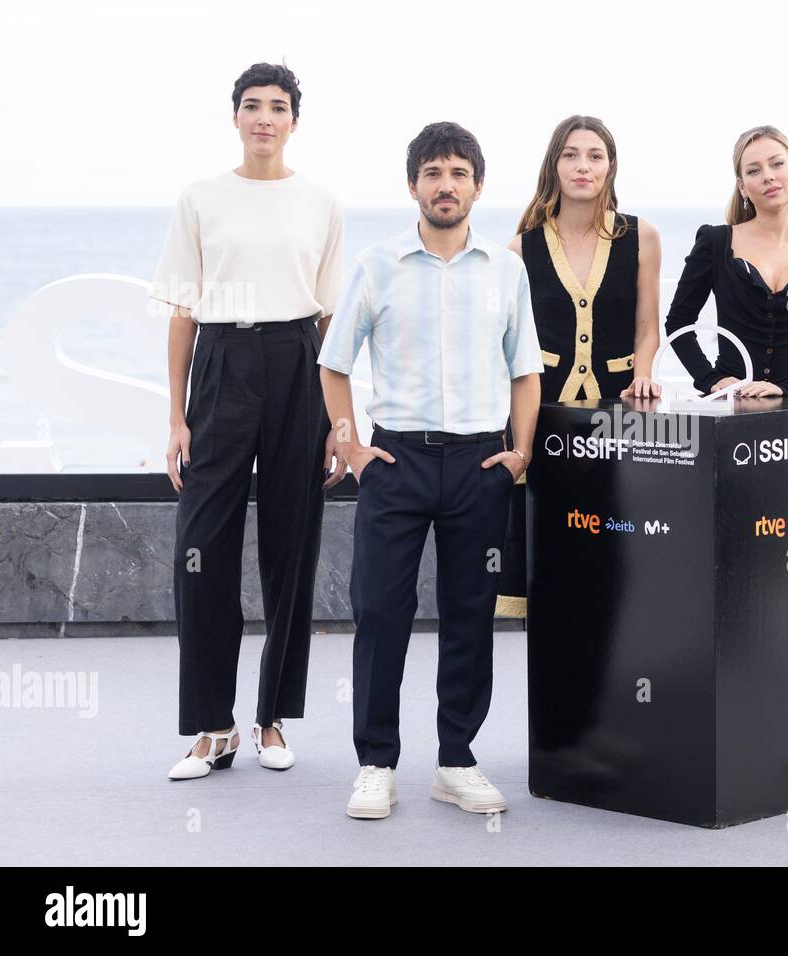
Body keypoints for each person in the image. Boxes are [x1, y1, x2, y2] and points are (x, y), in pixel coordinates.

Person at [317, 121, 543, 820]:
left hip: (480, 461)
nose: (446, 186)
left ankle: (457, 761)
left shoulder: (505, 269)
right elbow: (334, 362)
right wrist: (351, 448)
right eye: (433, 173)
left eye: (459, 173)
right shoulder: (377, 264)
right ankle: (375, 763)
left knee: (471, 615)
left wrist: (521, 451)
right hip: (396, 460)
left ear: (478, 185)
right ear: (412, 184)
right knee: (381, 611)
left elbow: (525, 370)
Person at [156, 62, 345, 781]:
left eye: (278, 106)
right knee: (199, 551)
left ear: (296, 119)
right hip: (223, 358)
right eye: (252, 105)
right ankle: (213, 725)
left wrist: (337, 418)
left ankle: (270, 720)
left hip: (298, 361)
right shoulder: (200, 198)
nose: (264, 117)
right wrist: (175, 418)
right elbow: (180, 313)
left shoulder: (321, 201)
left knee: (291, 547)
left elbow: (330, 317)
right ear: (234, 116)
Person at [494, 114, 662, 618]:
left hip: (618, 413)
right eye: (570, 155)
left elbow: (647, 325)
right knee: (547, 546)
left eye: (595, 156)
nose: (582, 166)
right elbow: (509, 343)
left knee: (612, 544)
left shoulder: (641, 236)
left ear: (611, 167)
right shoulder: (521, 246)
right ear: (555, 164)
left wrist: (644, 371)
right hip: (543, 417)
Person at [664, 125, 788, 399]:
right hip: (731, 405)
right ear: (742, 185)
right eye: (754, 170)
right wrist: (711, 379)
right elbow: (679, 323)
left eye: (777, 164)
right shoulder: (715, 242)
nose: (768, 176)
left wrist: (786, 389)